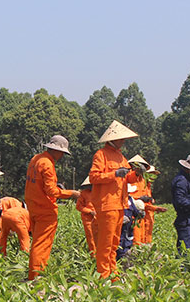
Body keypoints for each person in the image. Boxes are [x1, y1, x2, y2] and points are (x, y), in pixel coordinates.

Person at [24, 135, 79, 281]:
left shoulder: (35, 159)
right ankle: (36, 276)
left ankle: (34, 274)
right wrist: (72, 194)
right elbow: (52, 191)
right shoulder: (47, 164)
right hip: (45, 209)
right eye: (62, 153)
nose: (61, 156)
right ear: (56, 150)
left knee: (36, 242)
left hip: (33, 206)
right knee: (41, 244)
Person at [89, 120, 138, 280]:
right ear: (112, 139)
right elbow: (94, 177)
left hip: (120, 204)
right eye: (121, 139)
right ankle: (103, 274)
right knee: (105, 243)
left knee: (115, 242)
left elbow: (128, 179)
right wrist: (114, 174)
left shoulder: (121, 157)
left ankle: (113, 272)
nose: (123, 142)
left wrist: (137, 173)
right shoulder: (101, 154)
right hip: (107, 204)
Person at [75, 178, 97, 257]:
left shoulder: (100, 192)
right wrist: (90, 211)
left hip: (99, 218)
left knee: (101, 238)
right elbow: (78, 206)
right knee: (91, 237)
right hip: (88, 219)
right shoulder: (83, 194)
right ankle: (93, 256)